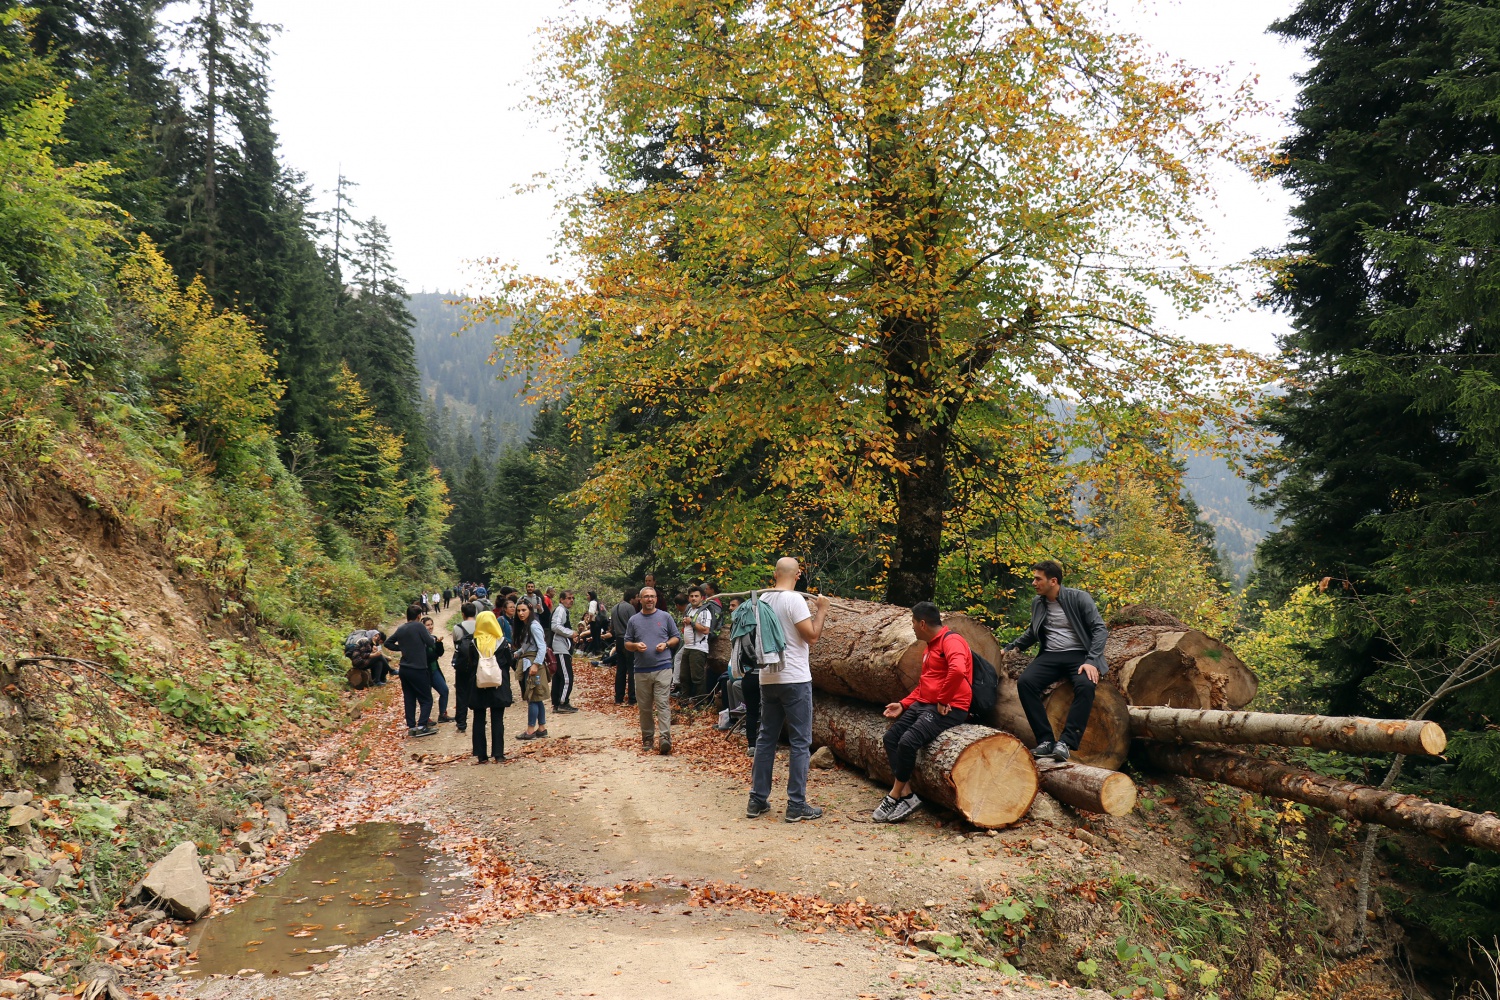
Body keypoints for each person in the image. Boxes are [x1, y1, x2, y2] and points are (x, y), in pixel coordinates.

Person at [874, 602, 974, 823]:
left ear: (922, 623)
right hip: (926, 703)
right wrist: (904, 704)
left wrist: (943, 699)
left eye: (912, 623)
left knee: (908, 742)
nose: (911, 627)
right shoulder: (930, 646)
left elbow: (958, 670)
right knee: (891, 738)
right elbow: (926, 683)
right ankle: (908, 795)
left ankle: (894, 795)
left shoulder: (952, 641)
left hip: (951, 706)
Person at [748, 557, 830, 822]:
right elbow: (812, 636)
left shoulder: (763, 600)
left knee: (766, 739)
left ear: (774, 574)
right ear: (797, 576)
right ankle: (796, 804)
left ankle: (757, 799)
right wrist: (822, 609)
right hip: (794, 678)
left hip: (768, 678)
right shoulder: (794, 600)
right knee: (799, 742)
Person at [1002, 560, 1109, 763]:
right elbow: (1033, 631)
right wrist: (1010, 647)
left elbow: (1099, 629)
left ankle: (1066, 743)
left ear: (1053, 581)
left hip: (1079, 655)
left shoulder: (1079, 598)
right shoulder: (1038, 603)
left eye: (1037, 579)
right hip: (1050, 655)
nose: (1033, 583)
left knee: (1086, 685)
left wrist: (1092, 660)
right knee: (1026, 683)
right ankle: (1046, 741)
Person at [624, 586, 681, 754]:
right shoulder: (634, 620)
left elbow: (676, 637)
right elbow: (626, 643)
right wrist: (635, 646)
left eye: (652, 596)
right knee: (645, 707)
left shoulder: (665, 617)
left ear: (656, 599)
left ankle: (665, 738)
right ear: (640, 599)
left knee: (663, 703)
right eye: (646, 597)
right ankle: (647, 737)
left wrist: (667, 644)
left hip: (663, 667)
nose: (649, 599)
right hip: (641, 670)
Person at [384, 605, 437, 737]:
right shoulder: (419, 626)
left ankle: (412, 727)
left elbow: (388, 643)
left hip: (404, 669)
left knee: (409, 698)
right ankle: (422, 725)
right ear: (419, 616)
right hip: (418, 668)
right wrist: (434, 640)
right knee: (426, 699)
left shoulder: (401, 628)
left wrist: (402, 648)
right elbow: (430, 642)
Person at [470, 610, 514, 764]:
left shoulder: (474, 643)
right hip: (498, 685)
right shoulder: (501, 642)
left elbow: (469, 664)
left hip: (479, 685)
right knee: (497, 719)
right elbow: (509, 662)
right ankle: (498, 754)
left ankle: (481, 755)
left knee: (479, 719)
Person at [515, 601, 550, 740]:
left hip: (534, 665)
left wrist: (535, 665)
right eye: (518, 611)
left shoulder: (534, 626)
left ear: (530, 610)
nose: (520, 613)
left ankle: (530, 730)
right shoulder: (526, 626)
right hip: (528, 662)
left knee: (532, 697)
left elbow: (542, 647)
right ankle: (542, 728)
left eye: (523, 610)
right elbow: (528, 645)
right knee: (537, 697)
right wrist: (518, 653)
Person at [679, 586, 713, 707]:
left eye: (696, 596)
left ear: (702, 598)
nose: (693, 598)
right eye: (691, 596)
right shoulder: (690, 610)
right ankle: (685, 701)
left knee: (697, 677)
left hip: (698, 648)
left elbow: (705, 630)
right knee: (684, 676)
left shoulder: (705, 612)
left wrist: (691, 622)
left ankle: (700, 703)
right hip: (688, 647)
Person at [451, 602, 479, 734]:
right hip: (477, 663)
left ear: (463, 614)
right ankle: (480, 718)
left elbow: (456, 645)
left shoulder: (457, 628)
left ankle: (461, 723)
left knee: (461, 693)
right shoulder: (480, 626)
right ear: (475, 613)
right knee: (478, 691)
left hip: (462, 664)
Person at [609, 588, 639, 706]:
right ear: (632, 598)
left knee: (621, 669)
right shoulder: (630, 608)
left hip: (619, 640)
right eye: (637, 597)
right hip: (628, 639)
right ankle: (632, 698)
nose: (638, 599)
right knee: (632, 669)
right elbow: (634, 623)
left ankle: (618, 698)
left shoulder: (614, 608)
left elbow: (612, 627)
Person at [550, 591, 578, 714]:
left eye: (573, 598)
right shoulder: (560, 610)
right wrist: (571, 633)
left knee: (559, 677)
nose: (571, 600)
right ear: (561, 600)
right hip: (559, 648)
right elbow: (555, 626)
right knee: (567, 677)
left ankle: (557, 703)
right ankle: (563, 702)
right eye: (568, 598)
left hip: (561, 646)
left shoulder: (563, 611)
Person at [421, 615, 452, 723]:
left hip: (434, 670)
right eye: (427, 625)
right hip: (425, 671)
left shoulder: (433, 637)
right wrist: (435, 655)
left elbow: (440, 653)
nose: (430, 627)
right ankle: (425, 718)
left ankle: (442, 714)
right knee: (427, 696)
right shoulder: (420, 640)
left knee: (444, 690)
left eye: (431, 624)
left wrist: (439, 644)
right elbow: (427, 656)